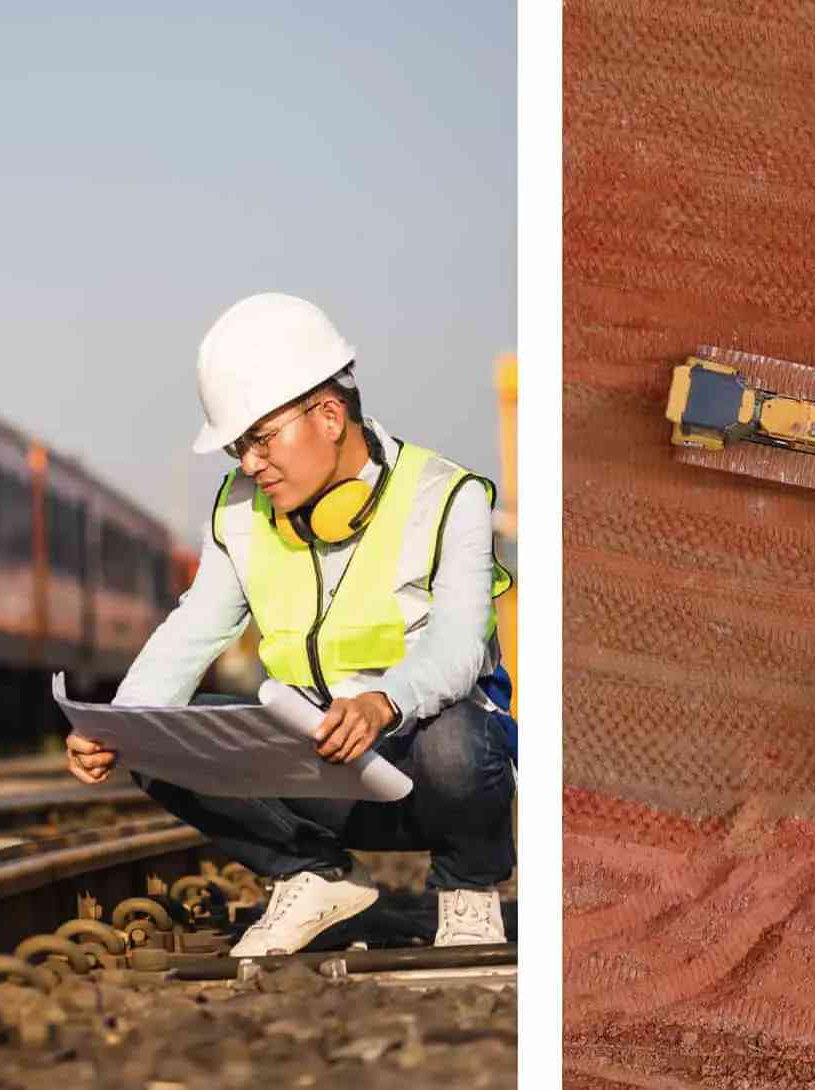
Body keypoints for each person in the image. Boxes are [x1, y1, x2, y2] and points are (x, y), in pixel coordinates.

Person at [65, 292, 516, 957]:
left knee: (456, 736)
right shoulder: (240, 513)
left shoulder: (448, 497)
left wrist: (381, 702)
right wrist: (119, 725)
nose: (249, 462)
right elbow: (194, 630)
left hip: (429, 765)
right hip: (321, 770)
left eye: (262, 438)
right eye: (238, 448)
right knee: (161, 733)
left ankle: (469, 890)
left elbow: (455, 647)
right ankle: (311, 874)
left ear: (330, 415)